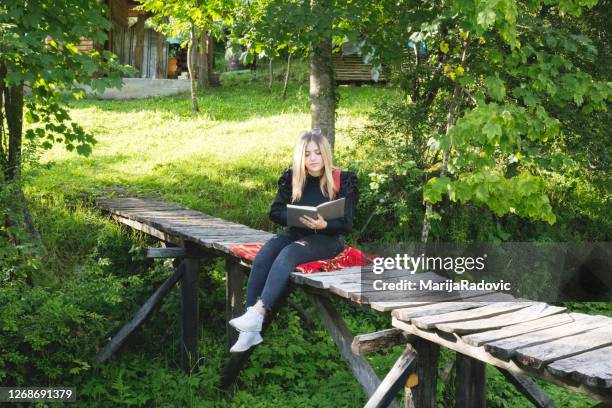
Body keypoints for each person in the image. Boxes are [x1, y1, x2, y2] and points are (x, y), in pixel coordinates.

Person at [229, 130, 359, 352]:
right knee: (266, 253)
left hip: (328, 239)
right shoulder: (293, 177)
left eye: (317, 153)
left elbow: (347, 223)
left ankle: (258, 314)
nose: (313, 158)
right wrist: (295, 216)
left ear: (325, 154)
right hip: (297, 232)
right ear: (301, 156)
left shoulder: (343, 179)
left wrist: (324, 225)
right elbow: (275, 212)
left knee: (288, 253)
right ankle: (250, 331)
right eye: (307, 154)